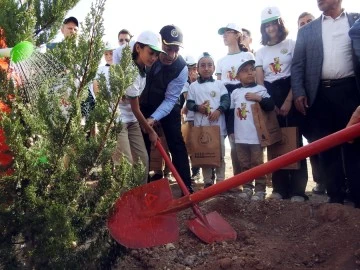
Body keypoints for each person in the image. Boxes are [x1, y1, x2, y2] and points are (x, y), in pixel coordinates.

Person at [291, 0, 360, 208]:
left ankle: (357, 196)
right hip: (320, 95)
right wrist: (299, 92)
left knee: (355, 146)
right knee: (326, 146)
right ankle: (335, 196)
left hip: (351, 92)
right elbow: (297, 65)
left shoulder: (356, 21)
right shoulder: (307, 31)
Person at [256, 6, 308, 202]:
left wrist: (289, 101)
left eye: (273, 23)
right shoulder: (260, 52)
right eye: (266, 25)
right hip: (270, 95)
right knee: (275, 141)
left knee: (295, 141)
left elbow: (297, 73)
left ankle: (297, 190)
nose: (271, 28)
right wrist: (271, 103)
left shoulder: (292, 44)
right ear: (263, 28)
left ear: (280, 23)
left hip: (290, 91)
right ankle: (279, 188)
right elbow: (260, 81)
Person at [139, 24, 193, 193]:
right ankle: (143, 186)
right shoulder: (146, 56)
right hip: (143, 104)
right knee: (143, 143)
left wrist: (153, 118)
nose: (172, 55)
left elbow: (170, 100)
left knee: (176, 142)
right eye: (168, 48)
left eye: (176, 49)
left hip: (168, 106)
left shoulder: (181, 68)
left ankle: (186, 187)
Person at [228, 60, 275, 200]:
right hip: (240, 136)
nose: (250, 72)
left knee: (257, 163)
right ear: (237, 77)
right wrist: (231, 131)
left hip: (256, 136)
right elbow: (231, 113)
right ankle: (247, 188)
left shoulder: (260, 89)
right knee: (244, 163)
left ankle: (260, 189)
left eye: (252, 69)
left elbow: (270, 106)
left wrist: (258, 98)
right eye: (244, 70)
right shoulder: (235, 92)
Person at [216, 23, 255, 179]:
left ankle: (253, 176)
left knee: (248, 137)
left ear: (238, 35)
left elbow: (254, 79)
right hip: (226, 96)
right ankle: (238, 179)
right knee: (232, 138)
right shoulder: (221, 61)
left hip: (244, 94)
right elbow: (219, 84)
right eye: (223, 33)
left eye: (228, 33)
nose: (225, 36)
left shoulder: (248, 56)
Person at [186, 52, 229, 188]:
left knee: (220, 153)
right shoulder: (193, 87)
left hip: (218, 127)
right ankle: (208, 182)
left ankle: (221, 180)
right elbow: (189, 104)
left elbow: (226, 101)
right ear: (197, 69)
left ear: (214, 68)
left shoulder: (220, 84)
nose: (206, 68)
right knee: (205, 155)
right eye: (203, 65)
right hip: (202, 127)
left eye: (209, 65)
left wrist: (219, 110)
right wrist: (199, 108)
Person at [297, 11, 326, 195]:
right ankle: (320, 181)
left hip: (328, 96)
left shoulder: (326, 41)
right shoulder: (298, 47)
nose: (306, 25)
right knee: (314, 142)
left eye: (310, 21)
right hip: (308, 101)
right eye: (302, 23)